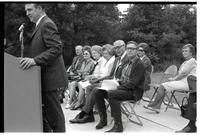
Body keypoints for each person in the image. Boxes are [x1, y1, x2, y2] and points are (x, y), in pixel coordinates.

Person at [19, 3, 67, 132]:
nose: (27, 13)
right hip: (42, 78)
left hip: (50, 78)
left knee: (55, 117)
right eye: (26, 10)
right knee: (45, 115)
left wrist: (34, 60)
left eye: (30, 9)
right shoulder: (38, 25)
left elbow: (56, 49)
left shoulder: (46, 24)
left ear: (40, 9)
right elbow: (39, 48)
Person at [69, 40, 129, 125]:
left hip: (114, 84)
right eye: (116, 47)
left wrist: (97, 80)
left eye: (106, 53)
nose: (104, 55)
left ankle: (85, 112)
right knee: (89, 87)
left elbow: (111, 76)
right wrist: (95, 79)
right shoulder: (116, 59)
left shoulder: (116, 60)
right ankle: (88, 113)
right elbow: (111, 75)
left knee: (93, 89)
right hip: (110, 82)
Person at [94, 42, 145, 132]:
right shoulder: (127, 62)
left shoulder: (139, 64)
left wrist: (117, 87)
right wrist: (114, 83)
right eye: (128, 48)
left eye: (132, 49)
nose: (129, 50)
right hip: (124, 88)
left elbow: (133, 84)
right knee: (97, 92)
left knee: (112, 94)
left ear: (136, 51)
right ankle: (103, 120)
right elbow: (121, 78)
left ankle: (118, 125)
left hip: (133, 92)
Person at [144, 44, 196, 113]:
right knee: (164, 88)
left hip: (187, 83)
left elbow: (183, 74)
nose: (184, 52)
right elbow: (180, 73)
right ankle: (157, 107)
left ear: (191, 52)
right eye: (183, 51)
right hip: (182, 82)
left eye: (186, 51)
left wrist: (174, 79)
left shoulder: (192, 61)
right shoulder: (185, 62)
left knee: (162, 86)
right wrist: (174, 78)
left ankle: (153, 104)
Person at [74, 45, 106, 110]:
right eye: (92, 53)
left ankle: (86, 106)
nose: (93, 55)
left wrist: (92, 76)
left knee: (85, 86)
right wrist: (90, 76)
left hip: (100, 81)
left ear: (100, 53)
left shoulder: (102, 61)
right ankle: (81, 103)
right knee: (80, 83)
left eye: (95, 53)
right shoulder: (96, 62)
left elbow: (102, 74)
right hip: (93, 79)